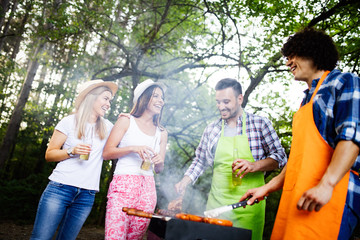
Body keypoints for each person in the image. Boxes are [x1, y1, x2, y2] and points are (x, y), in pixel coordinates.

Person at [240, 27, 360, 240]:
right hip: (298, 198)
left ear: (313, 52)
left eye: (292, 55)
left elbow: (351, 138)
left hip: (332, 195)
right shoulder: (306, 100)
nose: (288, 63)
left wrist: (326, 185)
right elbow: (297, 159)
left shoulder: (343, 82)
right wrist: (267, 188)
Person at [174, 78, 287, 240]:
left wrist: (254, 165)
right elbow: (199, 161)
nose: (221, 107)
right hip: (216, 207)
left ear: (240, 99)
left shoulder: (260, 124)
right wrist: (185, 181)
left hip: (249, 207)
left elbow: (280, 157)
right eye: (218, 102)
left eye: (226, 101)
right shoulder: (211, 129)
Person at [30, 80, 118, 240]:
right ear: (92, 97)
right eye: (105, 98)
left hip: (87, 194)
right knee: (40, 238)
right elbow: (49, 154)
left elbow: (123, 141)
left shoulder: (108, 126)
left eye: (110, 101)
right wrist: (71, 151)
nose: (108, 104)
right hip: (60, 188)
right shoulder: (69, 121)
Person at [103, 79, 168, 240]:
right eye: (156, 96)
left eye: (162, 97)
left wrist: (159, 162)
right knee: (114, 236)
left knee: (135, 238)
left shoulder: (162, 132)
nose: (161, 101)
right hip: (123, 185)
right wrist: (133, 148)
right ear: (144, 98)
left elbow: (159, 169)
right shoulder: (126, 120)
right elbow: (107, 153)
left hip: (148, 190)